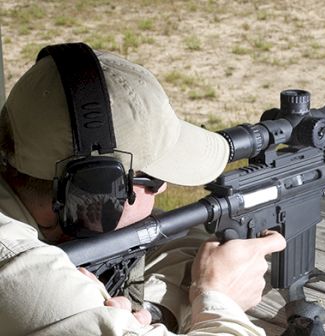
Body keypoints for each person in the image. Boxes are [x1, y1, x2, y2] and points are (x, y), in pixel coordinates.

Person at [0, 43, 286, 336]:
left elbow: (172, 249)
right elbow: (47, 296)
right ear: (94, 193)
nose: (162, 190)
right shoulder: (30, 279)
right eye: (153, 179)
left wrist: (146, 311)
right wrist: (221, 301)